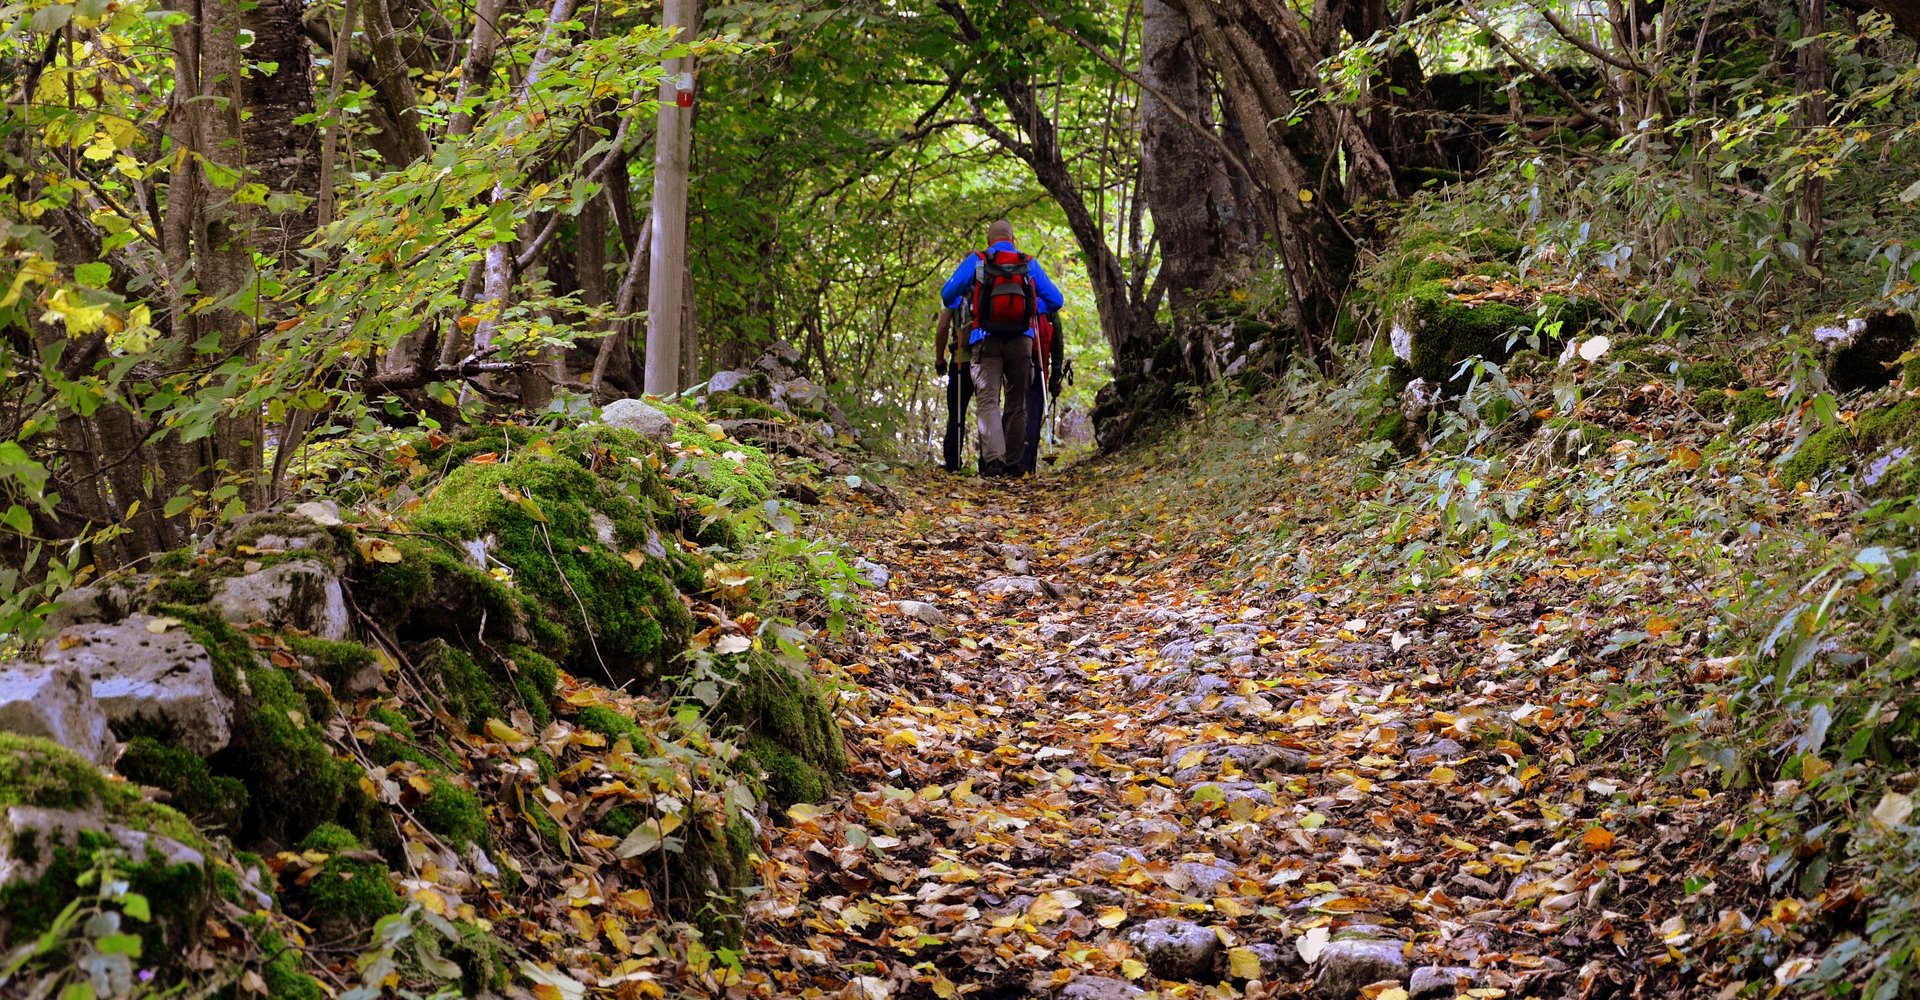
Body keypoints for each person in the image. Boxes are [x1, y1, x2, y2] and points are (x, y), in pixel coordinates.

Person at [939, 220, 1064, 477]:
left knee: (988, 400)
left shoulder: (978, 260)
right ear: (1013, 238)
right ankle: (1014, 464)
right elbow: (1056, 300)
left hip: (985, 339)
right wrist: (1030, 311)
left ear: (989, 239)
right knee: (1016, 402)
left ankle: (994, 460)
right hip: (1022, 339)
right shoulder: (1028, 262)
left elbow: (947, 293)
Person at [1018, 311, 1065, 475]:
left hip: (1014, 364)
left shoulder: (1013, 293)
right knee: (1033, 415)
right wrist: (1055, 376)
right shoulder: (1047, 303)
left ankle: (1010, 463)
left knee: (1014, 410)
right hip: (1039, 368)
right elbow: (1057, 342)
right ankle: (1026, 466)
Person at [932, 303, 975, 473]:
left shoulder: (955, 290)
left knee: (956, 412)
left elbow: (943, 325)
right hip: (987, 360)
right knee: (989, 409)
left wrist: (939, 358)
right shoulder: (989, 282)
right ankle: (991, 461)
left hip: (961, 360)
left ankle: (952, 462)